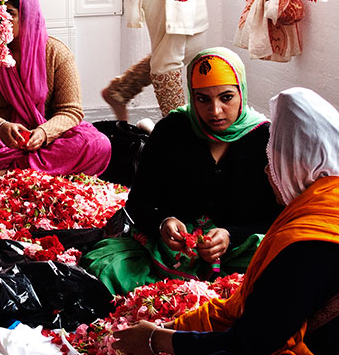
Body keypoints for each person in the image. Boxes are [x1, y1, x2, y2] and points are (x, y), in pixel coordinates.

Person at [113, 87, 339, 355]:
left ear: (297, 164)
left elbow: (252, 344)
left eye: (272, 162)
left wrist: (159, 340)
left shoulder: (309, 243)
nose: (268, 173)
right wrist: (183, 325)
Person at [85, 47, 282, 295]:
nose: (215, 110)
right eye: (203, 99)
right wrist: (163, 222)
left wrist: (231, 236)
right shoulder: (172, 130)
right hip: (171, 251)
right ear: (192, 95)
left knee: (282, 265)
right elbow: (139, 202)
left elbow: (278, 215)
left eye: (226, 97)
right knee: (106, 268)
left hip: (239, 250)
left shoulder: (265, 139)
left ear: (241, 92)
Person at [0, 0, 112, 181]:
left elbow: (71, 110)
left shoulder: (57, 53)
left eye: (10, 14)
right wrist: (1, 127)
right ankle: (42, 169)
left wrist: (44, 132)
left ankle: (6, 174)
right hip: (0, 140)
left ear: (28, 15)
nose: (2, 22)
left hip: (46, 139)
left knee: (97, 144)